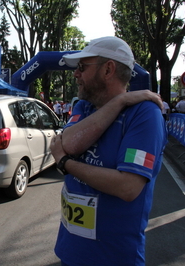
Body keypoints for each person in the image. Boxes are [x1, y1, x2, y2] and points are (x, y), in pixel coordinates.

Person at [50, 36, 167, 266]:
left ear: (108, 69)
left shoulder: (145, 115)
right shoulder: (83, 106)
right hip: (69, 253)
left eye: (82, 67)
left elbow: (128, 187)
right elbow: (71, 144)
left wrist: (66, 163)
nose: (76, 74)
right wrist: (119, 102)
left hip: (113, 258)